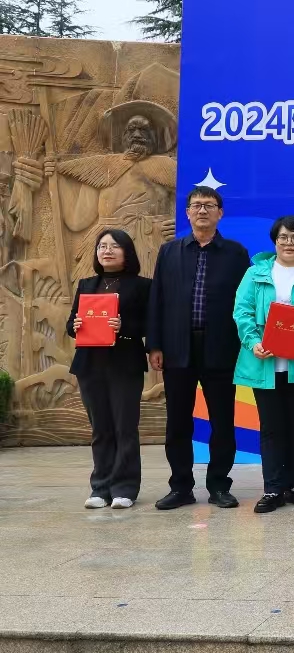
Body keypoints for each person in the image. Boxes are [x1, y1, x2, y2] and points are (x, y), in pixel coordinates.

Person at [148, 187, 251, 510]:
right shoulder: (169, 252)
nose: (202, 210)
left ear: (220, 213)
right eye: (196, 205)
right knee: (178, 422)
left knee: (222, 421)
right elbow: (157, 300)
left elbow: (247, 302)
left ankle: (219, 485)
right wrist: (154, 344)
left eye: (209, 205)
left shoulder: (236, 253)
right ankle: (180, 487)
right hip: (177, 348)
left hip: (221, 347)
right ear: (187, 213)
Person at [232, 216, 294, 514]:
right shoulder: (255, 273)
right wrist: (253, 342)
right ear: (275, 241)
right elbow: (242, 311)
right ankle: (273, 488)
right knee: (271, 428)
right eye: (284, 237)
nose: (289, 243)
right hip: (265, 363)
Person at [68, 230, 151, 509]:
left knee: (125, 427)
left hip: (124, 364)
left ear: (127, 252)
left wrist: (124, 327)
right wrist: (76, 325)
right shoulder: (87, 284)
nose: (107, 251)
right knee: (100, 429)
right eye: (102, 246)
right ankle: (100, 488)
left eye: (114, 246)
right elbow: (71, 325)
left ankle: (124, 488)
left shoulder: (142, 286)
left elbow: (149, 324)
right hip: (90, 365)